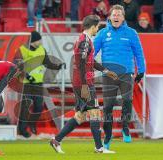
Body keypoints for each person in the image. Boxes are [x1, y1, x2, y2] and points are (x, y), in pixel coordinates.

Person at [49, 15, 118, 154]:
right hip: (84, 84)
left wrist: (106, 71)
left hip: (81, 83)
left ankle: (56, 140)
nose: (97, 30)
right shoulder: (84, 41)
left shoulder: (85, 40)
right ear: (92, 26)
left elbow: (89, 62)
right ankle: (99, 148)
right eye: (97, 27)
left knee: (80, 116)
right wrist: (85, 85)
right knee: (95, 113)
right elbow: (80, 64)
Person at [93, 4, 146, 149]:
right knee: (108, 107)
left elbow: (139, 53)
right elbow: (92, 51)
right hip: (108, 75)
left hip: (126, 73)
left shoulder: (131, 33)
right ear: (109, 17)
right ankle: (108, 136)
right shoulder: (103, 33)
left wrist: (141, 71)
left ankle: (125, 127)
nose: (116, 17)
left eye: (119, 15)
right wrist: (86, 63)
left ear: (123, 17)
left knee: (127, 101)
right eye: (114, 14)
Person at [14, 31, 65, 138]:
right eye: (39, 40)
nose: (41, 42)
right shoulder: (22, 50)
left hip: (38, 83)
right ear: (34, 41)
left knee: (38, 107)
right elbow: (17, 66)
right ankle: (22, 130)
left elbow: (48, 63)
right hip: (26, 84)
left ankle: (32, 125)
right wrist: (27, 76)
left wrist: (58, 66)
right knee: (25, 107)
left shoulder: (42, 50)